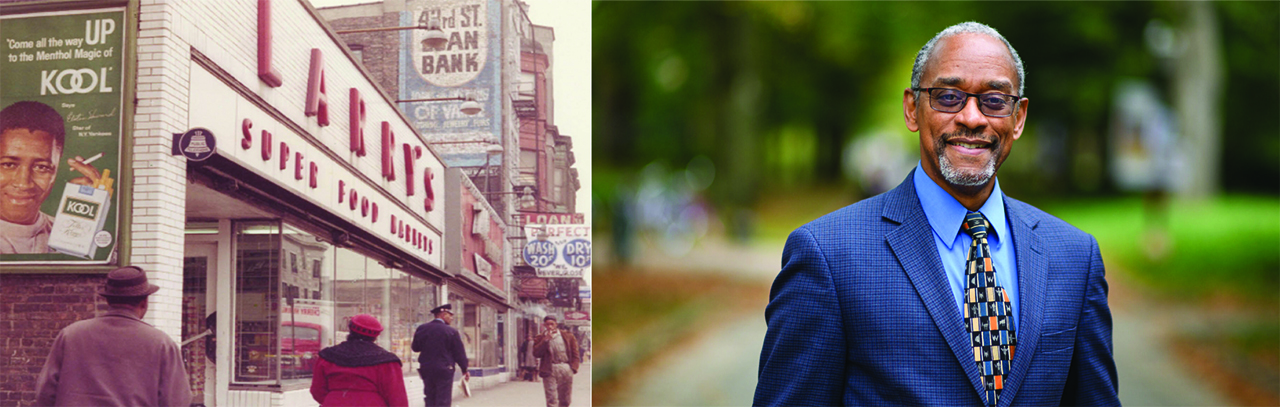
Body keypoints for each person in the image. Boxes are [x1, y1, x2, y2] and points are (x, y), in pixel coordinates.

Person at [754, 22, 1119, 406]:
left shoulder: (1075, 257)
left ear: (1019, 117)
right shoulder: (828, 255)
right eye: (948, 97)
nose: (973, 118)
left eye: (994, 100)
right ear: (913, 109)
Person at [34, 266, 192, 406]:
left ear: (108, 300)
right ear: (144, 302)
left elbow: (45, 392)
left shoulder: (70, 335)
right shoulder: (161, 343)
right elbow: (176, 400)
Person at [0, 100, 103, 254]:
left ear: (56, 171)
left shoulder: (66, 235)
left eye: (41, 167)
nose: (23, 183)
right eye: (8, 164)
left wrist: (82, 221)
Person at [310, 314, 408, 406]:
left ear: (350, 330)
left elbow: (317, 390)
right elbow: (397, 398)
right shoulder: (386, 361)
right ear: (375, 336)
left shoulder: (327, 356)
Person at [412, 304, 469, 407]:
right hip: (444, 368)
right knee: (443, 397)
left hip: (426, 368)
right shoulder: (451, 331)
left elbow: (415, 348)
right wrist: (464, 369)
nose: (451, 318)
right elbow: (459, 353)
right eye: (450, 315)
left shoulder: (422, 328)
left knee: (429, 395)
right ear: (443, 315)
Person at [533, 315, 580, 407]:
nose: (550, 326)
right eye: (547, 324)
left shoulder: (568, 336)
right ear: (544, 325)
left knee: (565, 399)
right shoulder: (540, 337)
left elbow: (575, 353)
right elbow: (536, 353)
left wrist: (573, 368)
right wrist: (545, 340)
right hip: (549, 368)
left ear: (556, 324)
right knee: (551, 397)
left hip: (565, 367)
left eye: (552, 324)